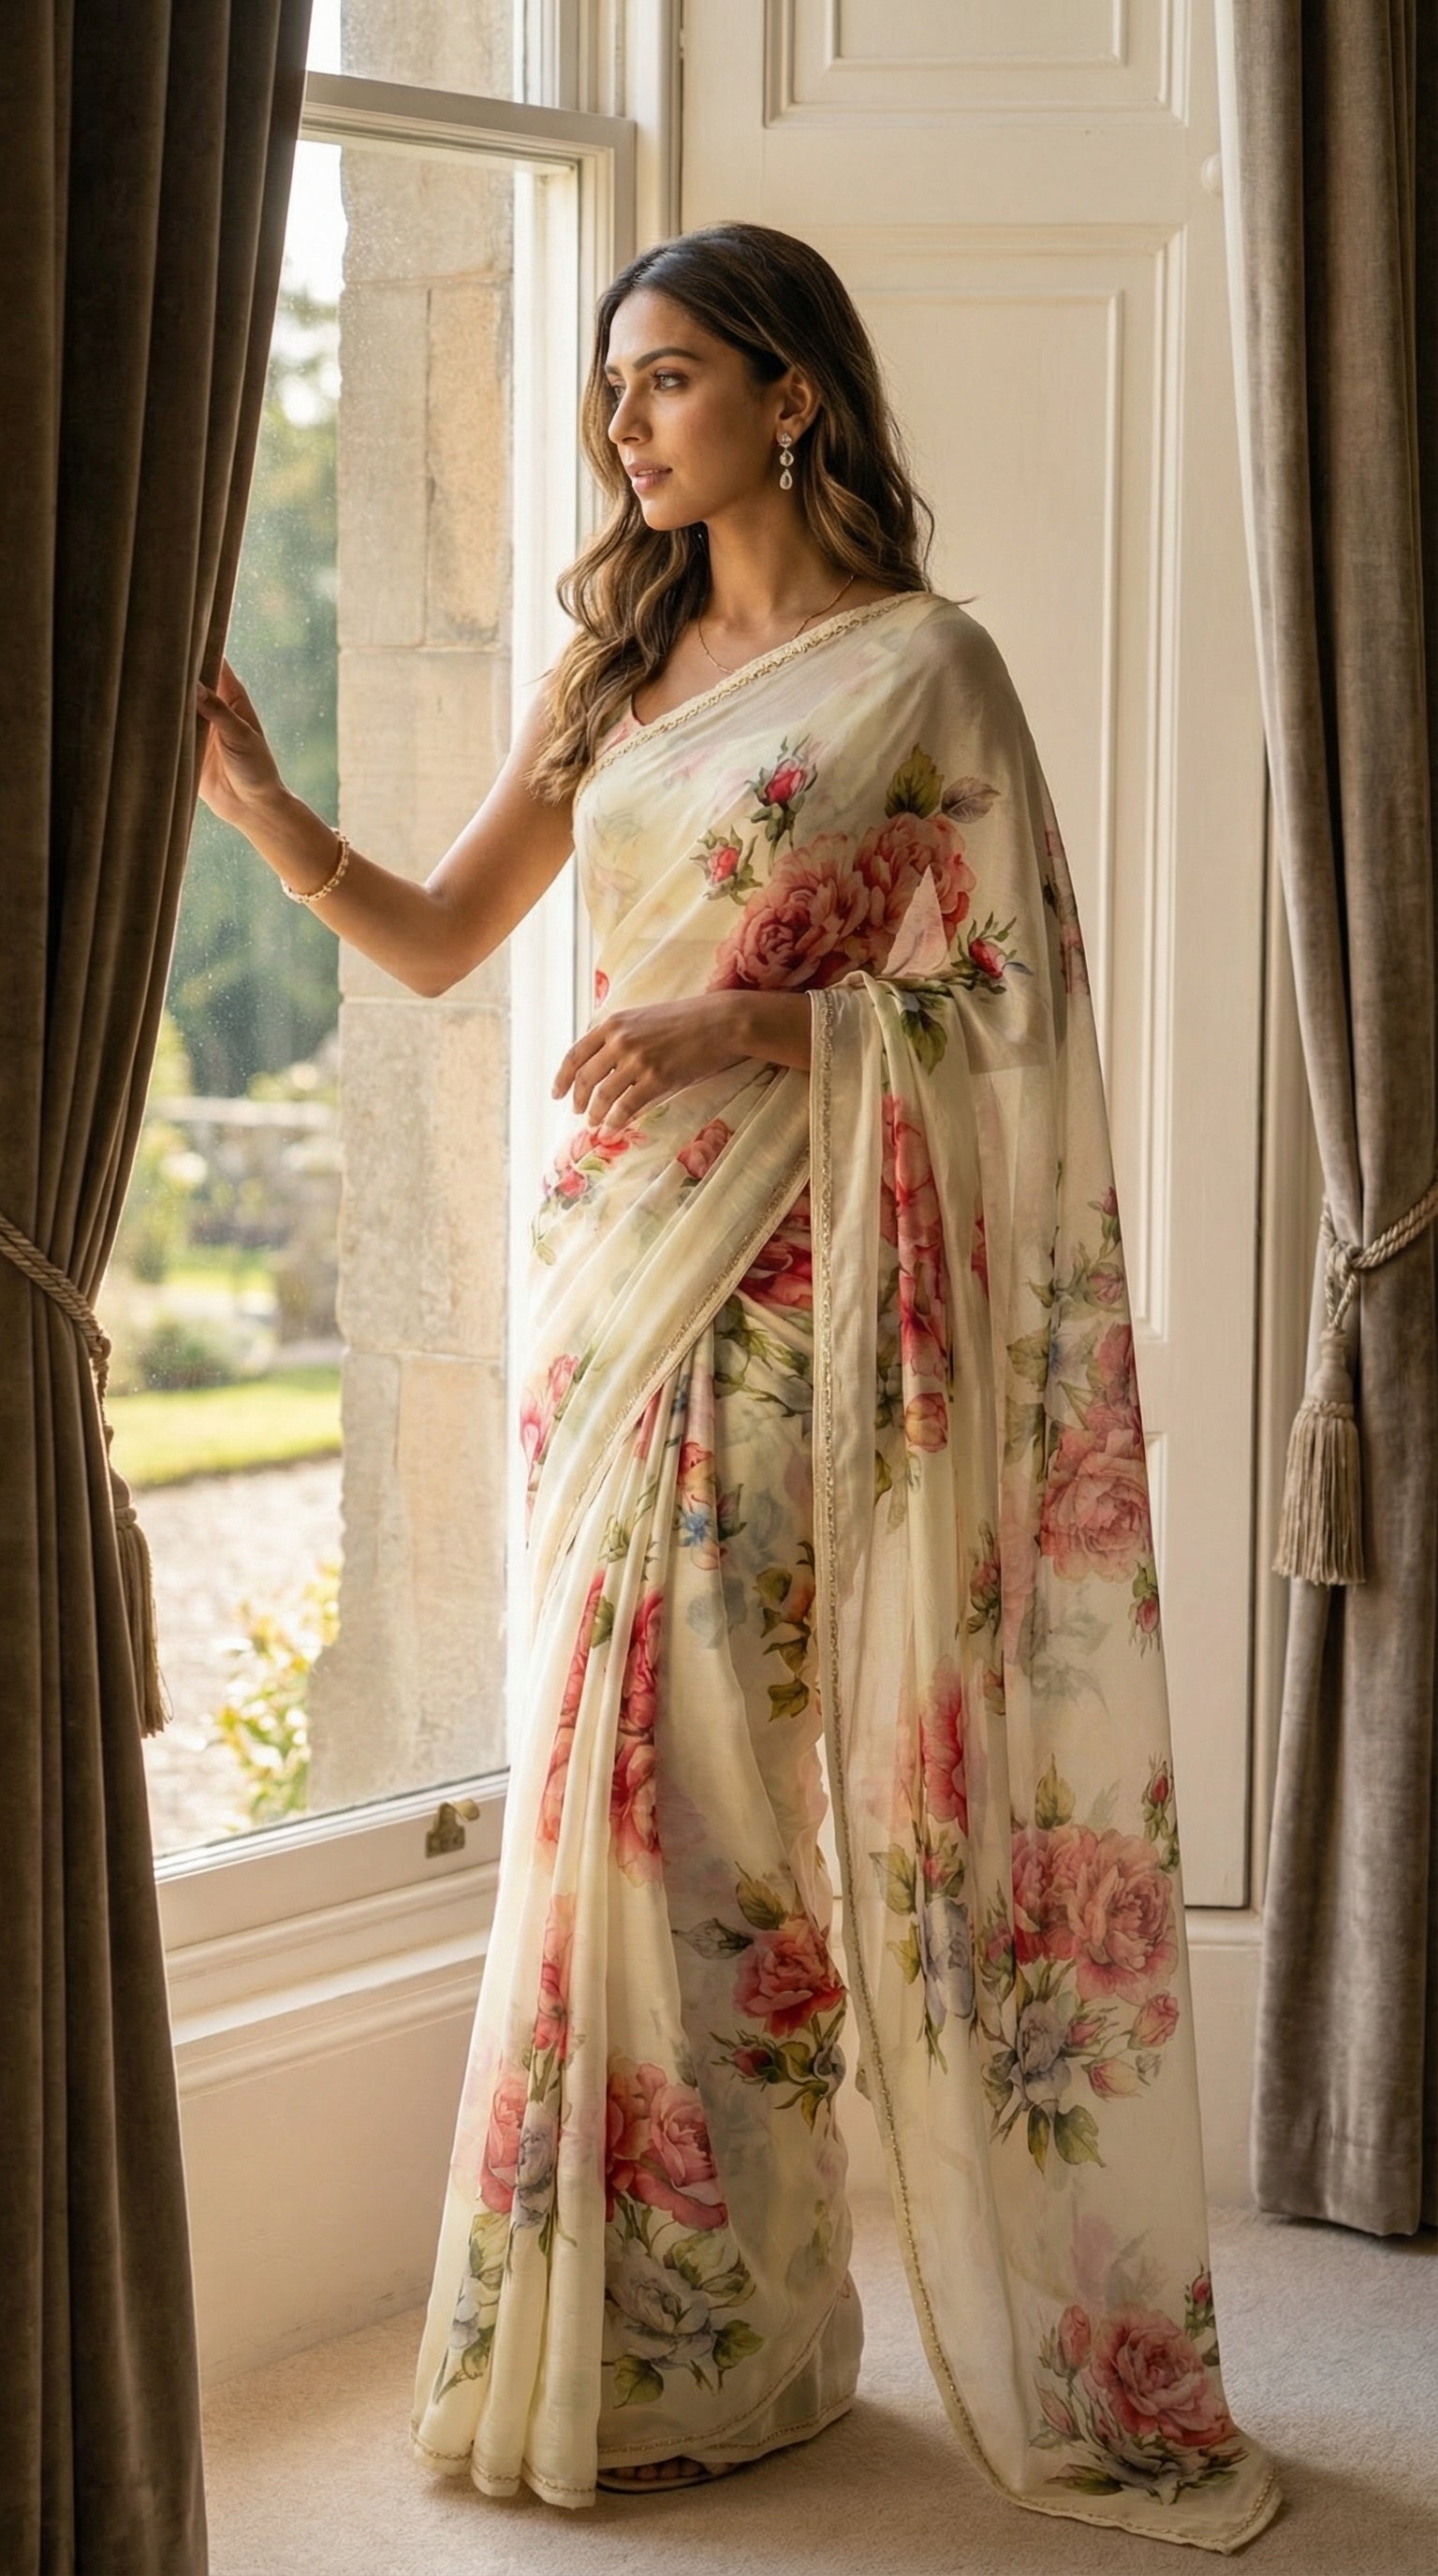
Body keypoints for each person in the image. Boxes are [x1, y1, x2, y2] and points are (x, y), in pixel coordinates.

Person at [196, 221, 1279, 2550]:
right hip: (611, 1293)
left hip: (794, 1295)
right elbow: (440, 934)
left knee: (709, 1805)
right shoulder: (613, 670)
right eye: (614, 385)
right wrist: (265, 810)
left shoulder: (927, 667)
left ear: (792, 395)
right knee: (606, 1799)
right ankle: (661, 2331)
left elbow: (1016, 1012)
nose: (624, 423)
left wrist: (751, 1019)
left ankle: (736, 2326)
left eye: (667, 376)